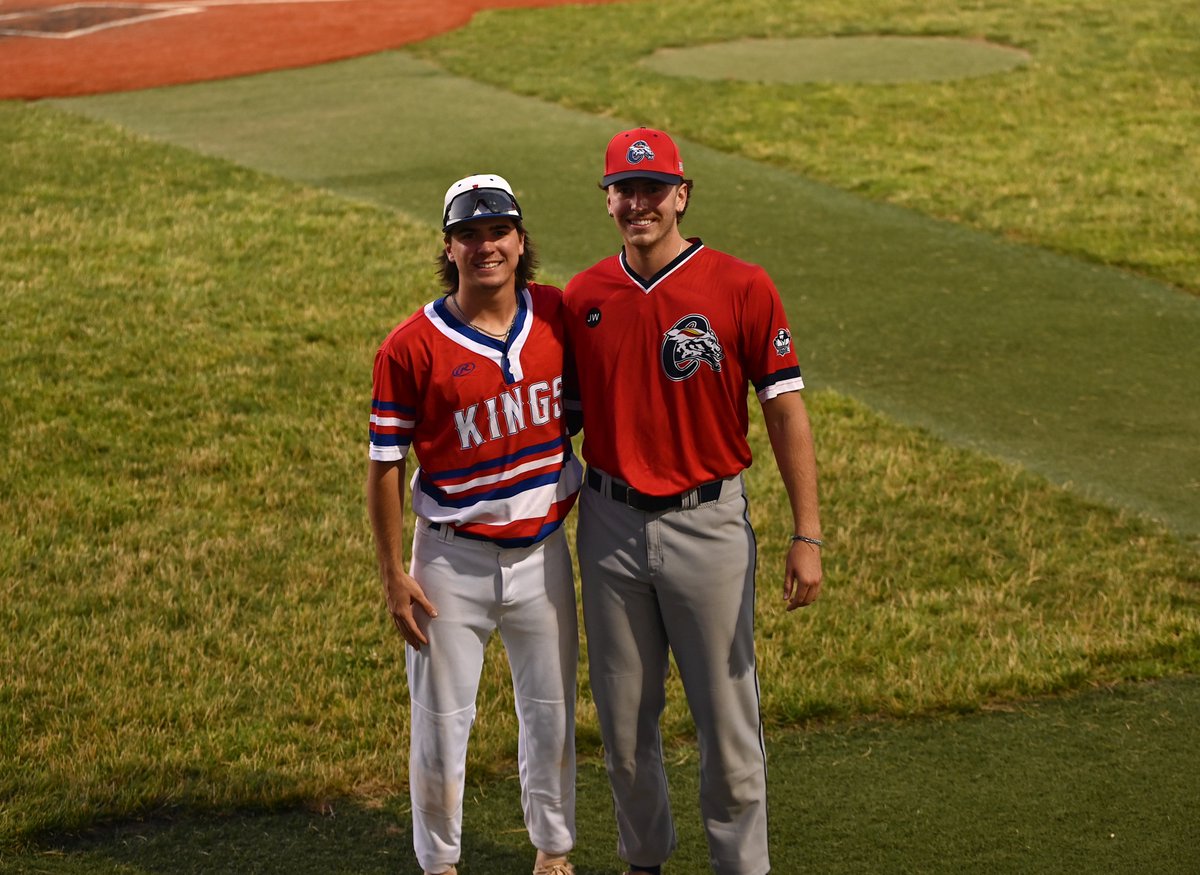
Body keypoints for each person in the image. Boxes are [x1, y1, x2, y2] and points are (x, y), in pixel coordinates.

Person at [562, 128, 824, 875]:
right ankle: (643, 861)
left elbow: (784, 410)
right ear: (608, 198)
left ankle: (741, 867)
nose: (638, 203)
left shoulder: (741, 286)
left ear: (683, 195)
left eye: (654, 189)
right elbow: (561, 419)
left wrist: (807, 533)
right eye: (625, 189)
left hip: (708, 525)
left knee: (728, 721)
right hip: (610, 526)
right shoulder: (583, 297)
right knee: (622, 724)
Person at [367, 173, 582, 875]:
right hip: (450, 562)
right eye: (470, 235)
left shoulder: (558, 317)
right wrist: (394, 574)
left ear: (521, 242)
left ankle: (553, 853)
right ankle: (440, 864)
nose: (486, 246)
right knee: (440, 723)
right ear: (449, 249)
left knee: (550, 713)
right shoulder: (409, 346)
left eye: (499, 232)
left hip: (542, 555)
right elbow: (385, 465)